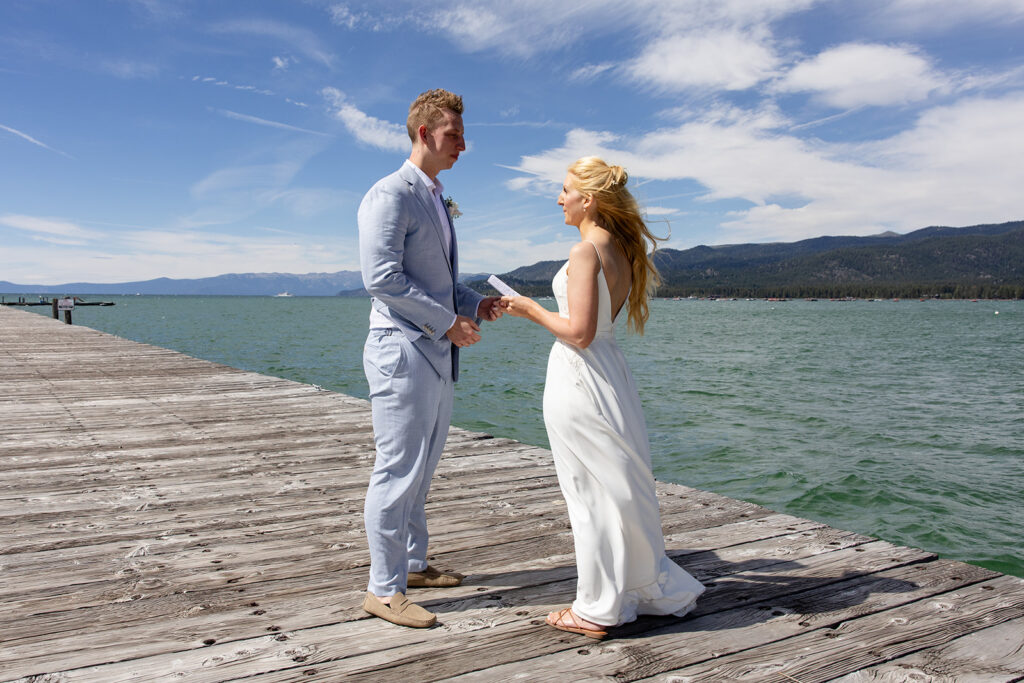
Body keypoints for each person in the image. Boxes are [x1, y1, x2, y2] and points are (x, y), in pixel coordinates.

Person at [500, 157, 704, 639]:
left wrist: (529, 309)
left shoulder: (585, 251)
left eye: (564, 190)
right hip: (611, 376)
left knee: (590, 491)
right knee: (618, 486)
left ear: (587, 199)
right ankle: (632, 588)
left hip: (581, 377)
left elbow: (580, 332)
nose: (558, 199)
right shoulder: (621, 249)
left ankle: (596, 607)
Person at [358, 88, 501, 629]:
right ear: (424, 133)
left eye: (461, 134)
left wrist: (475, 304)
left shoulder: (434, 197)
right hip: (403, 351)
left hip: (433, 353)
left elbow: (435, 280)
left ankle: (412, 566)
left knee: (421, 470)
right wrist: (446, 321)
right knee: (397, 470)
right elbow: (381, 279)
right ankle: (382, 588)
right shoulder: (390, 193)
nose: (463, 144)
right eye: (454, 135)